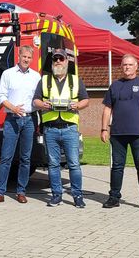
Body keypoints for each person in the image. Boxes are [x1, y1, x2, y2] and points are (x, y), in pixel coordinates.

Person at [101, 54, 139, 211]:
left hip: (138, 134)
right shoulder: (115, 86)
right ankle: (114, 197)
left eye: (130, 64)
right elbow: (107, 108)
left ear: (136, 67)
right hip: (118, 134)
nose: (126, 67)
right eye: (124, 65)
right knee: (117, 167)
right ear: (121, 67)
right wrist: (104, 129)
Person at [33, 48, 89, 208]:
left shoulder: (75, 80)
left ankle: (77, 195)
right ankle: (56, 195)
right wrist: (42, 104)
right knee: (53, 164)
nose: (58, 61)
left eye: (61, 59)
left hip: (69, 127)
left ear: (66, 62)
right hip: (50, 128)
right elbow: (36, 100)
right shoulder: (44, 80)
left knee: (74, 164)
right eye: (55, 59)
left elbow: (86, 100)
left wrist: (77, 105)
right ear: (52, 63)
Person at [0, 45, 41, 204]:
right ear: (18, 57)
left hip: (29, 119)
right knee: (6, 157)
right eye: (24, 56)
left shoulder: (36, 76)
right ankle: (0, 192)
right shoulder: (8, 74)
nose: (26, 59)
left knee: (26, 158)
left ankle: (21, 191)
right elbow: (1, 96)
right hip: (12, 119)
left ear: (31, 59)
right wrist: (13, 108)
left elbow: (38, 98)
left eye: (29, 57)